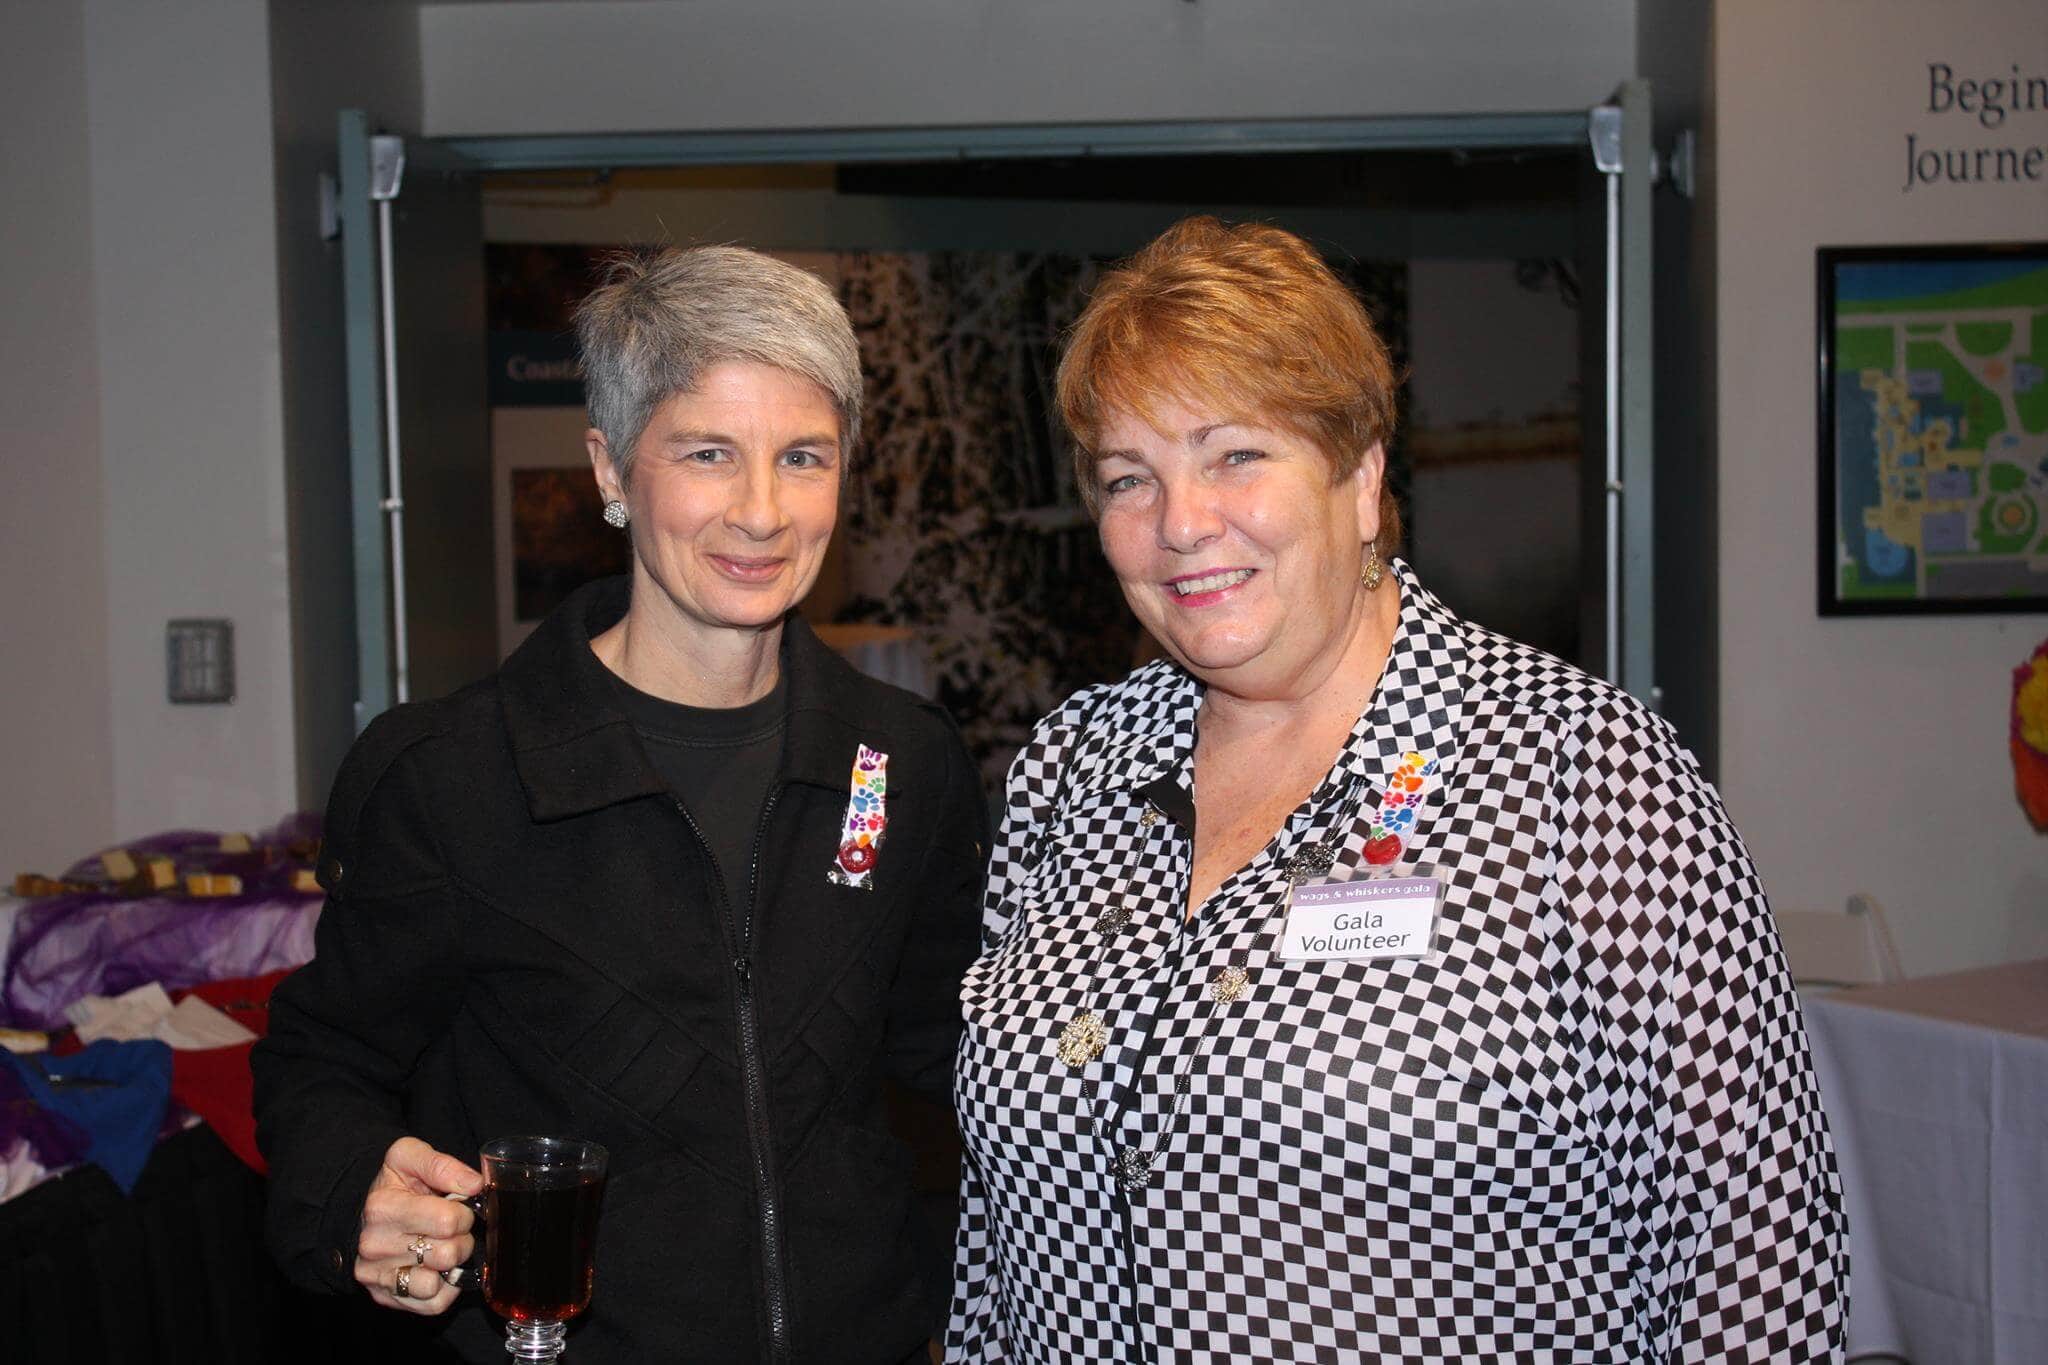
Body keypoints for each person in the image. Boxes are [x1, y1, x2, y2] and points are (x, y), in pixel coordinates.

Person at [946, 218, 1844, 1362]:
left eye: (1233, 455)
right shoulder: (1075, 768)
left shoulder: (1579, 772)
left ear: (1359, 477)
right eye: (1131, 478)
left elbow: (1755, 1258)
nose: (1179, 524)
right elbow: (993, 1243)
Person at [254, 245, 986, 1364]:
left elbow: (962, 1044)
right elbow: (324, 1059)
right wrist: (352, 1190)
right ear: (609, 470)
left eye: (802, 456)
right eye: (706, 453)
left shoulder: (901, 761)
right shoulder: (450, 776)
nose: (761, 512)